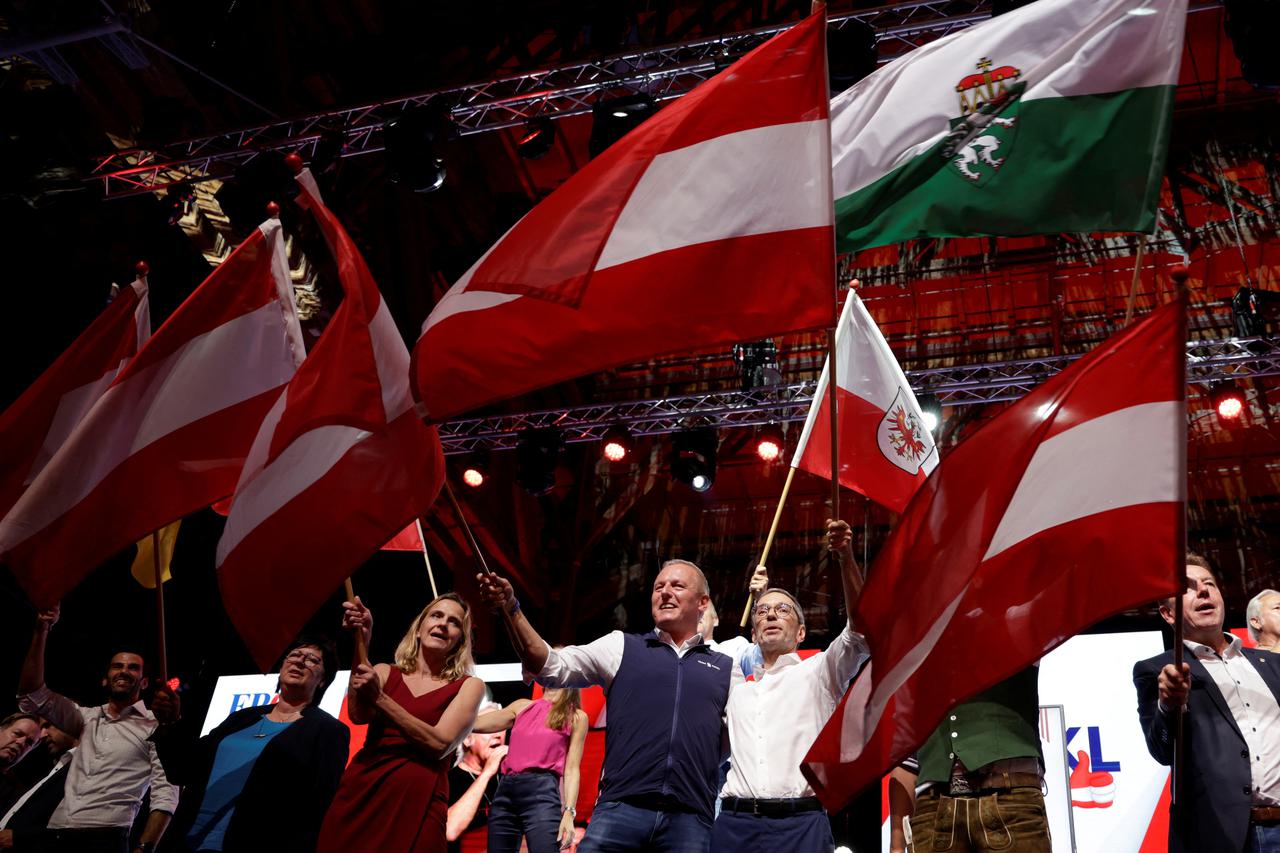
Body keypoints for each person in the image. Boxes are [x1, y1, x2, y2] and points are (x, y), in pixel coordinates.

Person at [478, 559, 732, 853]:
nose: (664, 593)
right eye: (658, 587)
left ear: (702, 602)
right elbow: (549, 665)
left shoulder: (725, 668)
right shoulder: (622, 647)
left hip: (688, 820)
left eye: (677, 586)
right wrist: (512, 609)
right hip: (620, 811)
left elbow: (732, 741)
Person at [711, 520, 870, 853]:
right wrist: (756, 596)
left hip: (801, 826)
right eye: (763, 612)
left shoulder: (820, 672)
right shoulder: (733, 679)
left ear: (801, 633)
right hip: (734, 825)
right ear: (753, 633)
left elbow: (861, 630)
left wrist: (845, 556)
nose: (771, 615)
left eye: (783, 610)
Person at [1134, 554, 1280, 853]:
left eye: (1209, 584)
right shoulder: (1158, 670)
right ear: (1168, 613)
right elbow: (1162, 751)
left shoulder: (1272, 665)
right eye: (1188, 588)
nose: (1203, 591)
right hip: (1222, 836)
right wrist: (1169, 706)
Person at [317, 593, 485, 853]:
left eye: (454, 622)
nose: (443, 624)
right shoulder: (385, 671)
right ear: (419, 629)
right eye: (436, 615)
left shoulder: (469, 686)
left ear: (460, 640)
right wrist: (363, 639)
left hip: (421, 798)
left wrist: (381, 699)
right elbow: (358, 714)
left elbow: (439, 743)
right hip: (365, 789)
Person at [149, 636, 349, 853]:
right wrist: (170, 723)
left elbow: (318, 808)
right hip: (186, 842)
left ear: (323, 680)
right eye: (294, 655)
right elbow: (183, 769)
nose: (300, 661)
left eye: (313, 660)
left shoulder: (329, 731)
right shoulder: (242, 718)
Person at [16, 606, 176, 853]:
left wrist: (145, 847)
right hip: (55, 833)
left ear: (144, 682)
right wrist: (42, 629)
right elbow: (31, 695)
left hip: (106, 839)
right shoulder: (84, 718)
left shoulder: (156, 726)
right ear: (106, 678)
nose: (124, 670)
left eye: (133, 667)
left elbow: (166, 794)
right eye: (117, 666)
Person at [471, 688, 589, 853]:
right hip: (506, 790)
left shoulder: (576, 717)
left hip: (541, 793)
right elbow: (474, 723)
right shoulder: (522, 706)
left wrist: (569, 813)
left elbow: (572, 769)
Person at [0, 721, 80, 852]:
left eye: (30, 743)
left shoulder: (85, 768)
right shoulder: (50, 770)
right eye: (17, 733)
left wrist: (20, 838)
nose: (42, 735)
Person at [445, 712, 507, 852]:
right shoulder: (448, 781)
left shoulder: (510, 779)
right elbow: (450, 831)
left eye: (502, 727)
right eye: (490, 728)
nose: (498, 735)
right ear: (467, 738)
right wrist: (487, 773)